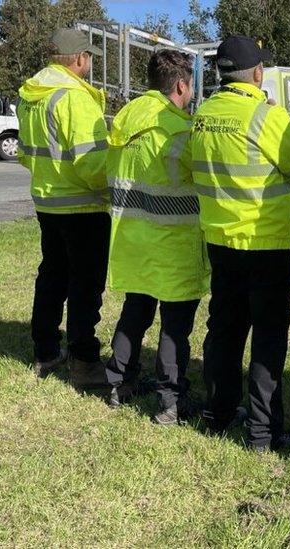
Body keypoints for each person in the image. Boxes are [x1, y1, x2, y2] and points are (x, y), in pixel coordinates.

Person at [189, 36, 290, 451]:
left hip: (220, 241)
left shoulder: (203, 115)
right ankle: (263, 431)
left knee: (223, 329)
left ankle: (219, 412)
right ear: (258, 73)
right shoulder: (267, 117)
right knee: (268, 335)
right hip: (266, 244)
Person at [103, 50, 209, 425]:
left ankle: (118, 382)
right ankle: (170, 403)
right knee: (175, 326)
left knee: (136, 312)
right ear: (181, 85)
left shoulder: (123, 120)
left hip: (132, 239)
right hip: (174, 243)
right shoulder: (181, 132)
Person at [17, 29, 110, 389]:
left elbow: (26, 153)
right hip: (83, 206)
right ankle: (84, 361)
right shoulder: (75, 98)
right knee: (85, 286)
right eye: (89, 56)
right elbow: (92, 164)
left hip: (47, 201)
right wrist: (111, 192)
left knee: (52, 276)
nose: (90, 62)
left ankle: (45, 351)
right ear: (77, 60)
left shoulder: (31, 96)